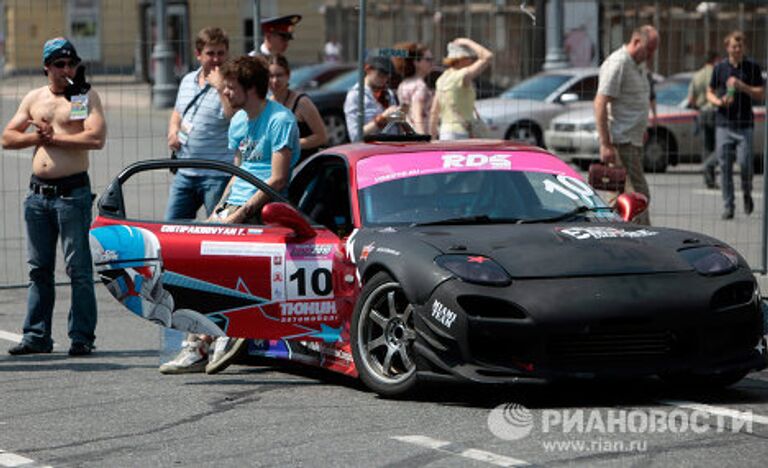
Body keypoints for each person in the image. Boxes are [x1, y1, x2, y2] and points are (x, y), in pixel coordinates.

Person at [159, 55, 300, 375]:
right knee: (195, 266)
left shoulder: (280, 120)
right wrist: (220, 211)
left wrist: (241, 213)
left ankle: (227, 331)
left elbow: (277, 179)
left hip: (264, 207)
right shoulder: (238, 121)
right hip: (234, 207)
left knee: (225, 267)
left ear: (250, 88)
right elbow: (237, 172)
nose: (225, 92)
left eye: (231, 87)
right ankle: (196, 344)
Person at [1, 37, 106, 356]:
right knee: (38, 268)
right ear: (46, 67)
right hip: (38, 196)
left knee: (79, 269)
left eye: (71, 63)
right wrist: (36, 137)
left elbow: (96, 137)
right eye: (59, 64)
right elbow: (7, 137)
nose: (66, 69)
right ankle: (36, 335)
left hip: (72, 194)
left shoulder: (83, 96)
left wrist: (55, 138)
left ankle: (82, 336)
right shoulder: (35, 98)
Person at [165, 27, 235, 220]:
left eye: (221, 53)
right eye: (210, 53)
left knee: (219, 229)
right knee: (172, 227)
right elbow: (178, 112)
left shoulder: (232, 84)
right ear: (198, 54)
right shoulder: (188, 80)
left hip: (218, 174)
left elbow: (234, 118)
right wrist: (172, 131)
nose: (216, 59)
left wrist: (221, 87)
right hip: (185, 171)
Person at [594, 25, 659, 226]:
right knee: (638, 195)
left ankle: (611, 237)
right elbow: (600, 103)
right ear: (637, 42)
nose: (650, 56)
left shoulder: (637, 64)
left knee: (619, 197)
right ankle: (645, 243)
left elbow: (635, 101)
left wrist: (642, 128)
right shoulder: (618, 63)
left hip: (633, 139)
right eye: (649, 50)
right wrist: (605, 144)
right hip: (621, 142)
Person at [707, 31, 765, 220]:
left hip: (745, 124)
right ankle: (728, 206)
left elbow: (761, 94)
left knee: (746, 163)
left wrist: (742, 86)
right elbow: (710, 92)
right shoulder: (720, 68)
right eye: (734, 46)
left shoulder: (752, 67)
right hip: (724, 124)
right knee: (725, 167)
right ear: (728, 48)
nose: (737, 49)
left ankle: (747, 193)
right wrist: (718, 102)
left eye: (740, 46)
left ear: (744, 48)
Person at [428, 37, 493, 140]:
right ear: (460, 59)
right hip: (462, 132)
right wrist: (467, 41)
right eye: (468, 58)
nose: (471, 61)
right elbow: (487, 56)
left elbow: (434, 111)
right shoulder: (462, 75)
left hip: (445, 132)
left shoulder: (442, 79)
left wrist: (431, 137)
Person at [267, 54, 328, 162]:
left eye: (279, 75)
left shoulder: (302, 102)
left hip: (303, 167)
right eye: (270, 76)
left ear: (288, 75)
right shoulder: (266, 104)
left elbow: (322, 137)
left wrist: (292, 144)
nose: (274, 80)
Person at [343, 55, 399, 142]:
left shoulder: (388, 93)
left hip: (391, 148)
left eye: (387, 76)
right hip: (370, 151)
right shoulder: (355, 96)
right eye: (380, 75)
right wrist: (382, 119)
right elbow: (355, 136)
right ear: (368, 69)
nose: (384, 79)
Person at [689, 51, 720, 189]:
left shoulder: (697, 75)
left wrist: (699, 105)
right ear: (716, 59)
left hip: (702, 112)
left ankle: (709, 179)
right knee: (719, 145)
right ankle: (710, 168)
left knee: (707, 146)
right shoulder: (718, 73)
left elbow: (691, 99)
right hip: (716, 112)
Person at [393, 42, 434, 134]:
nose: (431, 63)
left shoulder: (403, 84)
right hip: (420, 133)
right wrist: (422, 137)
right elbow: (417, 114)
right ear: (416, 62)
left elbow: (404, 112)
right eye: (428, 60)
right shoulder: (420, 86)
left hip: (407, 133)